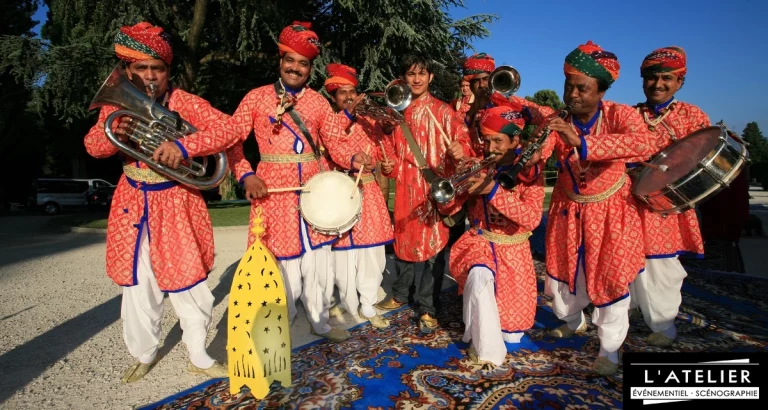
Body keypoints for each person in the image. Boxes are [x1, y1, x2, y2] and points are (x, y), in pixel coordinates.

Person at [84, 22, 237, 383]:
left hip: (178, 198)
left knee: (189, 281)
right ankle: (145, 353)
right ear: (127, 70)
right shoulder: (116, 105)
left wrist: (184, 146)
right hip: (132, 201)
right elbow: (92, 146)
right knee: (138, 284)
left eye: (158, 68)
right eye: (142, 68)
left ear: (169, 71)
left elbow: (230, 128)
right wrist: (115, 133)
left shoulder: (186, 102)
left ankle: (198, 355)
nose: (151, 76)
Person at [220, 21, 350, 343]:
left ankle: (320, 323)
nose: (295, 68)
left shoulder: (319, 102)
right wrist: (246, 175)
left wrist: (355, 159)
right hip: (273, 192)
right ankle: (281, 328)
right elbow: (232, 142)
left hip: (315, 190)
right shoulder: (255, 98)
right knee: (283, 263)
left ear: (310, 68)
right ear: (280, 61)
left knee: (319, 260)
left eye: (302, 63)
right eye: (289, 60)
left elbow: (337, 144)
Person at [541, 41, 655, 376]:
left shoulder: (621, 114)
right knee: (564, 274)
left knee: (610, 279)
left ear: (601, 91)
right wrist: (533, 152)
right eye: (568, 86)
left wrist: (581, 142)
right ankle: (572, 321)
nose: (572, 94)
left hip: (611, 213)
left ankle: (609, 350)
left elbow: (642, 144)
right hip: (567, 209)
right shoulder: (559, 118)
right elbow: (541, 150)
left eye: (582, 88)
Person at [440, 102, 545, 366]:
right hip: (481, 242)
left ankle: (492, 338)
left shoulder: (531, 173)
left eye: (498, 141)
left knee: (511, 333)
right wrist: (455, 188)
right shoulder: (477, 165)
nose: (490, 148)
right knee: (479, 277)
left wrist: (493, 191)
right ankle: (487, 351)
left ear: (515, 141)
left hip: (514, 250)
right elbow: (450, 206)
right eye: (486, 141)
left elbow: (532, 219)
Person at [375, 52, 473, 334]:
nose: (416, 79)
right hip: (406, 190)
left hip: (433, 191)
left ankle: (428, 308)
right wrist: (389, 165)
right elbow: (393, 155)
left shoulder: (443, 111)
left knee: (434, 250)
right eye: (411, 74)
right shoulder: (397, 114)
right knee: (403, 244)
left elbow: (464, 141)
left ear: (431, 77)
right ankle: (400, 293)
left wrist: (461, 148)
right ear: (404, 78)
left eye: (421, 73)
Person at [627, 46, 709, 347]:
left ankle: (663, 325)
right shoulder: (629, 115)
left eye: (666, 78)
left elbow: (703, 158)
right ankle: (628, 312)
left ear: (679, 82)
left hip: (667, 208)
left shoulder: (693, 116)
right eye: (651, 78)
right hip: (629, 205)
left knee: (661, 265)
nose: (658, 84)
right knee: (627, 260)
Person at [321, 62, 396, 328]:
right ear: (333, 97)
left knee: (372, 251)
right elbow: (328, 146)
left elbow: (386, 152)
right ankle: (347, 303)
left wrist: (388, 162)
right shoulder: (328, 121)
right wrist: (348, 115)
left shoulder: (371, 122)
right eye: (342, 93)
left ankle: (367, 303)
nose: (349, 97)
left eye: (352, 91)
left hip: (369, 189)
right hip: (341, 190)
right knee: (342, 254)